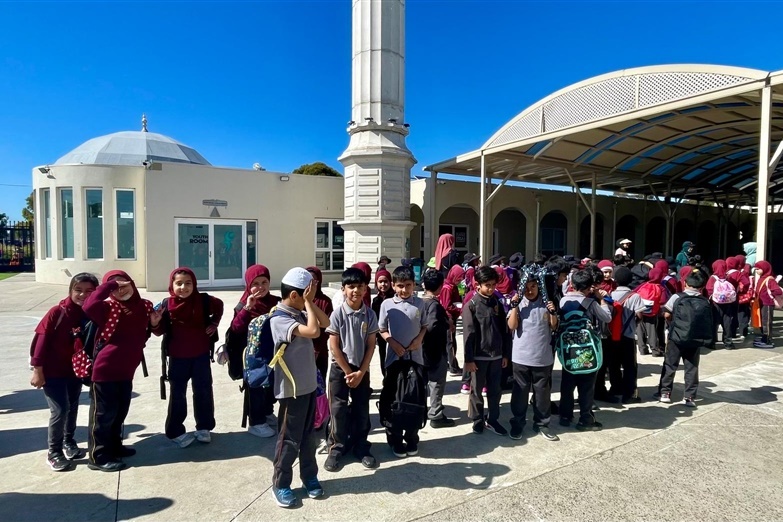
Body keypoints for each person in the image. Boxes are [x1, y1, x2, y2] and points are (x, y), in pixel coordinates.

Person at [83, 270, 162, 472]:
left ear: (133, 284)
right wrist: (109, 285)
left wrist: (154, 324)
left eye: (124, 285)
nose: (121, 291)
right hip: (105, 371)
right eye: (115, 288)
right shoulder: (107, 307)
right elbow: (88, 305)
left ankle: (114, 446)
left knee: (119, 412)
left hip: (127, 370)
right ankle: (98, 457)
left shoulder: (144, 306)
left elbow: (148, 332)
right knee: (103, 415)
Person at [269, 268, 330, 508]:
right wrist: (306, 302)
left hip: (307, 387)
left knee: (308, 438)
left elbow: (324, 322)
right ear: (295, 295)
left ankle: (309, 477)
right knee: (289, 439)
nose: (312, 297)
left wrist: (308, 303)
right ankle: (281, 483)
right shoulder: (280, 318)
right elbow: (314, 332)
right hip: (291, 391)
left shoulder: (300, 312)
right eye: (308, 293)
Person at [30, 272, 99, 471]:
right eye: (78, 290)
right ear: (70, 290)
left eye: (89, 291)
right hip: (52, 371)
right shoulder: (57, 312)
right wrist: (38, 370)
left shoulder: (89, 314)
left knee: (72, 407)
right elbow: (40, 343)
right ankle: (54, 451)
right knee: (59, 410)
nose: (83, 295)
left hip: (74, 371)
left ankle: (69, 442)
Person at [153, 268, 224, 447]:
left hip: (200, 356)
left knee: (203, 391)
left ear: (194, 284)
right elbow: (159, 330)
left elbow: (220, 306)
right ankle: (175, 431)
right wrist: (154, 323)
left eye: (188, 283)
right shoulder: (166, 305)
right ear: (172, 285)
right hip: (178, 358)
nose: (183, 287)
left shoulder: (204, 300)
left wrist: (214, 323)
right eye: (179, 283)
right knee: (177, 395)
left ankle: (204, 427)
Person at [324, 267, 379, 473]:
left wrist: (361, 372)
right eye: (351, 286)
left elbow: (371, 344)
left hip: (361, 370)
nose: (356, 290)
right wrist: (348, 372)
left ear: (366, 289)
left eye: (360, 286)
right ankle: (337, 447)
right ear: (343, 289)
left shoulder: (370, 315)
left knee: (361, 409)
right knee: (337, 409)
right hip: (340, 370)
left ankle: (361, 445)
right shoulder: (337, 314)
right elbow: (334, 346)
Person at [378, 265, 428, 457]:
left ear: (414, 285)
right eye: (400, 286)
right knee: (394, 400)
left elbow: (424, 325)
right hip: (394, 360)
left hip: (415, 359)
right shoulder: (387, 305)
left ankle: (412, 437)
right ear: (393, 285)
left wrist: (419, 339)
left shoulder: (420, 304)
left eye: (408, 285)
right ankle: (395, 438)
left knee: (415, 399)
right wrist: (392, 342)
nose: (404, 290)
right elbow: (382, 329)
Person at [507, 268, 559, 441]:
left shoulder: (546, 303)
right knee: (520, 392)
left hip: (542, 357)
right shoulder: (519, 304)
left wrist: (552, 312)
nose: (530, 290)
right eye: (527, 287)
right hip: (521, 357)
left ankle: (542, 423)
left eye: (534, 286)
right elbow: (512, 326)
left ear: (539, 287)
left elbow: (554, 326)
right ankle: (518, 422)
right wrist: (514, 306)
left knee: (542, 393)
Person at [231, 265, 281, 438]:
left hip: (274, 353)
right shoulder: (243, 304)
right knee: (257, 387)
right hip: (254, 356)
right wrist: (247, 309)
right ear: (248, 285)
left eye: (264, 282)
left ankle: (267, 413)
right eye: (256, 283)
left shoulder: (276, 301)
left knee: (271, 386)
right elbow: (236, 328)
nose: (261, 287)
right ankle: (256, 422)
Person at [558, 269, 612, 431]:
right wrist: (602, 300)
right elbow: (607, 317)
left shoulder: (562, 301)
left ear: (572, 284)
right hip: (587, 349)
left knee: (567, 382)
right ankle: (585, 419)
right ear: (590, 287)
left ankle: (565, 416)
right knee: (586, 385)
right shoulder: (590, 303)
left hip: (568, 348)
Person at [462, 266, 511, 436]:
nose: (490, 288)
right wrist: (469, 360)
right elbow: (468, 334)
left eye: (493, 285)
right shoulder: (471, 306)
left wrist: (505, 354)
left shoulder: (496, 303)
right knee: (476, 390)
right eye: (487, 285)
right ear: (478, 286)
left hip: (496, 356)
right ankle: (477, 420)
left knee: (495, 390)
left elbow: (504, 331)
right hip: (478, 357)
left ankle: (493, 419)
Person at [660, 269, 713, 407]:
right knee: (692, 368)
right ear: (701, 287)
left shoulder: (677, 297)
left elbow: (666, 314)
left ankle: (665, 393)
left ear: (685, 283)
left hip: (676, 337)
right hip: (695, 339)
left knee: (670, 365)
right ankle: (689, 397)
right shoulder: (705, 301)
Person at [421, 269, 456, 429]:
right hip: (434, 350)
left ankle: (422, 410)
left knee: (423, 383)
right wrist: (446, 323)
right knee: (436, 383)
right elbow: (432, 326)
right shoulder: (434, 305)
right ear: (441, 286)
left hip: (421, 351)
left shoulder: (420, 302)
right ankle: (435, 414)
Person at [606, 267, 645, 403]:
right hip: (628, 336)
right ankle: (629, 394)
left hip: (612, 336)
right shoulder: (635, 296)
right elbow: (639, 315)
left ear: (615, 280)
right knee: (629, 365)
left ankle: (615, 388)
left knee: (613, 364)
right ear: (630, 280)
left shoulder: (610, 294)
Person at [306, 266, 334, 379]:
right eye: (308, 281)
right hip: (300, 351)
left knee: (319, 385)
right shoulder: (298, 299)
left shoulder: (325, 301)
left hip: (320, 350)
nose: (311, 285)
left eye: (314, 281)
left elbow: (327, 326)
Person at [705, 260, 738, 350]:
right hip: (728, 304)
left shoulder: (713, 278)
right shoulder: (728, 277)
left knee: (714, 323)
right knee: (727, 323)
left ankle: (712, 342)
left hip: (715, 304)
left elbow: (708, 289)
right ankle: (728, 343)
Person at [439, 265, 465, 376]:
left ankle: (452, 364)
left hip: (452, 317)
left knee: (451, 342)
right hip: (448, 319)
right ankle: (453, 367)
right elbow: (446, 306)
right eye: (459, 277)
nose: (460, 280)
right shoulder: (447, 288)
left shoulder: (453, 286)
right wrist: (458, 308)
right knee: (450, 344)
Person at [634, 267, 666, 356]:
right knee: (652, 331)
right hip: (652, 313)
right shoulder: (660, 287)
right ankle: (655, 350)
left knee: (640, 329)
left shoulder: (643, 284)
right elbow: (663, 301)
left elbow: (634, 292)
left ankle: (642, 349)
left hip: (640, 310)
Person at [752, 261, 782, 349]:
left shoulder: (770, 279)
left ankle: (768, 340)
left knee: (767, 322)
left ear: (764, 269)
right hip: (761, 304)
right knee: (762, 322)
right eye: (756, 269)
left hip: (767, 304)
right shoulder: (762, 278)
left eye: (758, 269)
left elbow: (778, 291)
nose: (757, 271)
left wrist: (770, 293)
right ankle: (764, 337)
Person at [371, 268, 395, 378]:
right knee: (383, 356)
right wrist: (376, 335)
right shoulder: (376, 300)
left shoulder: (395, 298)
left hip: (395, 334)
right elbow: (375, 319)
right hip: (381, 335)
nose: (383, 284)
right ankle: (385, 378)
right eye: (380, 282)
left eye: (386, 281)